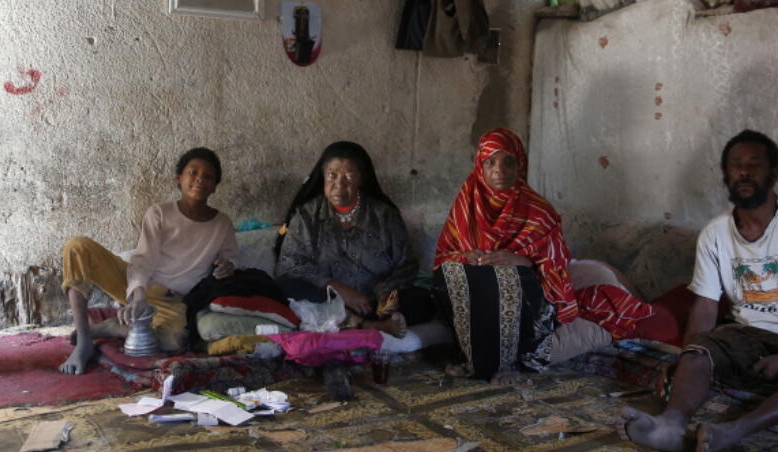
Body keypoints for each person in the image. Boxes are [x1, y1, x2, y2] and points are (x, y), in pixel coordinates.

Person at [620, 130, 778, 452]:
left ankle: (733, 431)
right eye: (736, 165)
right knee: (699, 350)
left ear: (773, 174)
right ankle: (670, 425)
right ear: (726, 175)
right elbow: (705, 305)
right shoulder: (715, 232)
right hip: (745, 335)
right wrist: (686, 356)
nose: (744, 171)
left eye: (755, 164)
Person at [433, 128, 654, 384]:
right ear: (479, 166)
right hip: (476, 298)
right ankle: (476, 357)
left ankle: (501, 363)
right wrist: (466, 257)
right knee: (452, 273)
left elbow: (557, 267)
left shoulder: (539, 211)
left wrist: (522, 261)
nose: (499, 170)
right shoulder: (465, 205)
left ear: (521, 166)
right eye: (490, 161)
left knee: (505, 278)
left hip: (525, 300)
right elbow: (443, 255)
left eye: (509, 162)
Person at [59, 147, 238, 374]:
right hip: (136, 284)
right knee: (77, 247)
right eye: (192, 172)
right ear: (179, 179)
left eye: (208, 176)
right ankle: (84, 338)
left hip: (173, 300)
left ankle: (112, 328)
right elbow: (144, 259)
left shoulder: (222, 224)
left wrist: (227, 265)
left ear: (215, 186)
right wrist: (139, 296)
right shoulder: (159, 213)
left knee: (175, 341)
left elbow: (230, 255)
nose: (199, 179)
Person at [275, 141, 433, 397]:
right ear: (323, 177)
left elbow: (406, 263)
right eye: (332, 175)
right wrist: (336, 287)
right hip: (326, 300)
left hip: (374, 301)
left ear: (361, 178)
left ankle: (368, 321)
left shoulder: (384, 215)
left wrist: (386, 292)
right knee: (286, 289)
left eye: (349, 176)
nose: (340, 184)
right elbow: (290, 263)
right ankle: (369, 325)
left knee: (424, 302)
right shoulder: (306, 216)